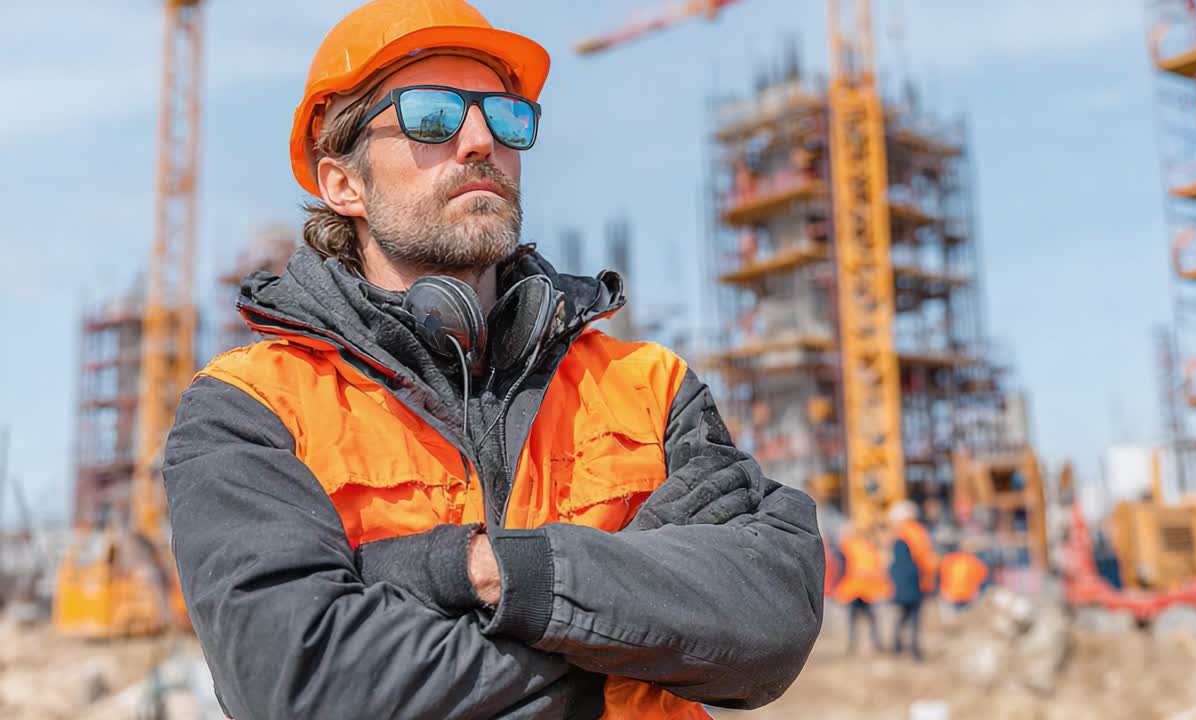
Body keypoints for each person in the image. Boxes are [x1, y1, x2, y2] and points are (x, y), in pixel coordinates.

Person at [160, 2, 824, 718]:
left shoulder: (647, 386)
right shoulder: (252, 406)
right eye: (432, 116)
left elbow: (771, 618)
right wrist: (630, 631)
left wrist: (472, 570)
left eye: (505, 117)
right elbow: (303, 685)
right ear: (342, 184)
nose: (480, 139)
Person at [832, 523, 890, 654]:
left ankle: (858, 645)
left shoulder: (849, 546)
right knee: (865, 619)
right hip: (855, 589)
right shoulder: (863, 546)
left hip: (858, 589)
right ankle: (863, 644)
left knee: (860, 619)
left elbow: (840, 567)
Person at [888, 500, 934, 662]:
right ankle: (913, 650)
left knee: (904, 614)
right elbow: (924, 558)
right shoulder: (915, 532)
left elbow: (894, 564)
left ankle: (898, 646)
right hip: (914, 581)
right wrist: (929, 578)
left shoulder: (898, 534)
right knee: (913, 616)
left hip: (903, 583)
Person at [939, 540, 988, 613]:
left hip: (950, 595)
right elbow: (983, 578)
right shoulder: (975, 562)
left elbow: (941, 575)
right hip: (968, 596)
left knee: (953, 618)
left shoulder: (949, 559)